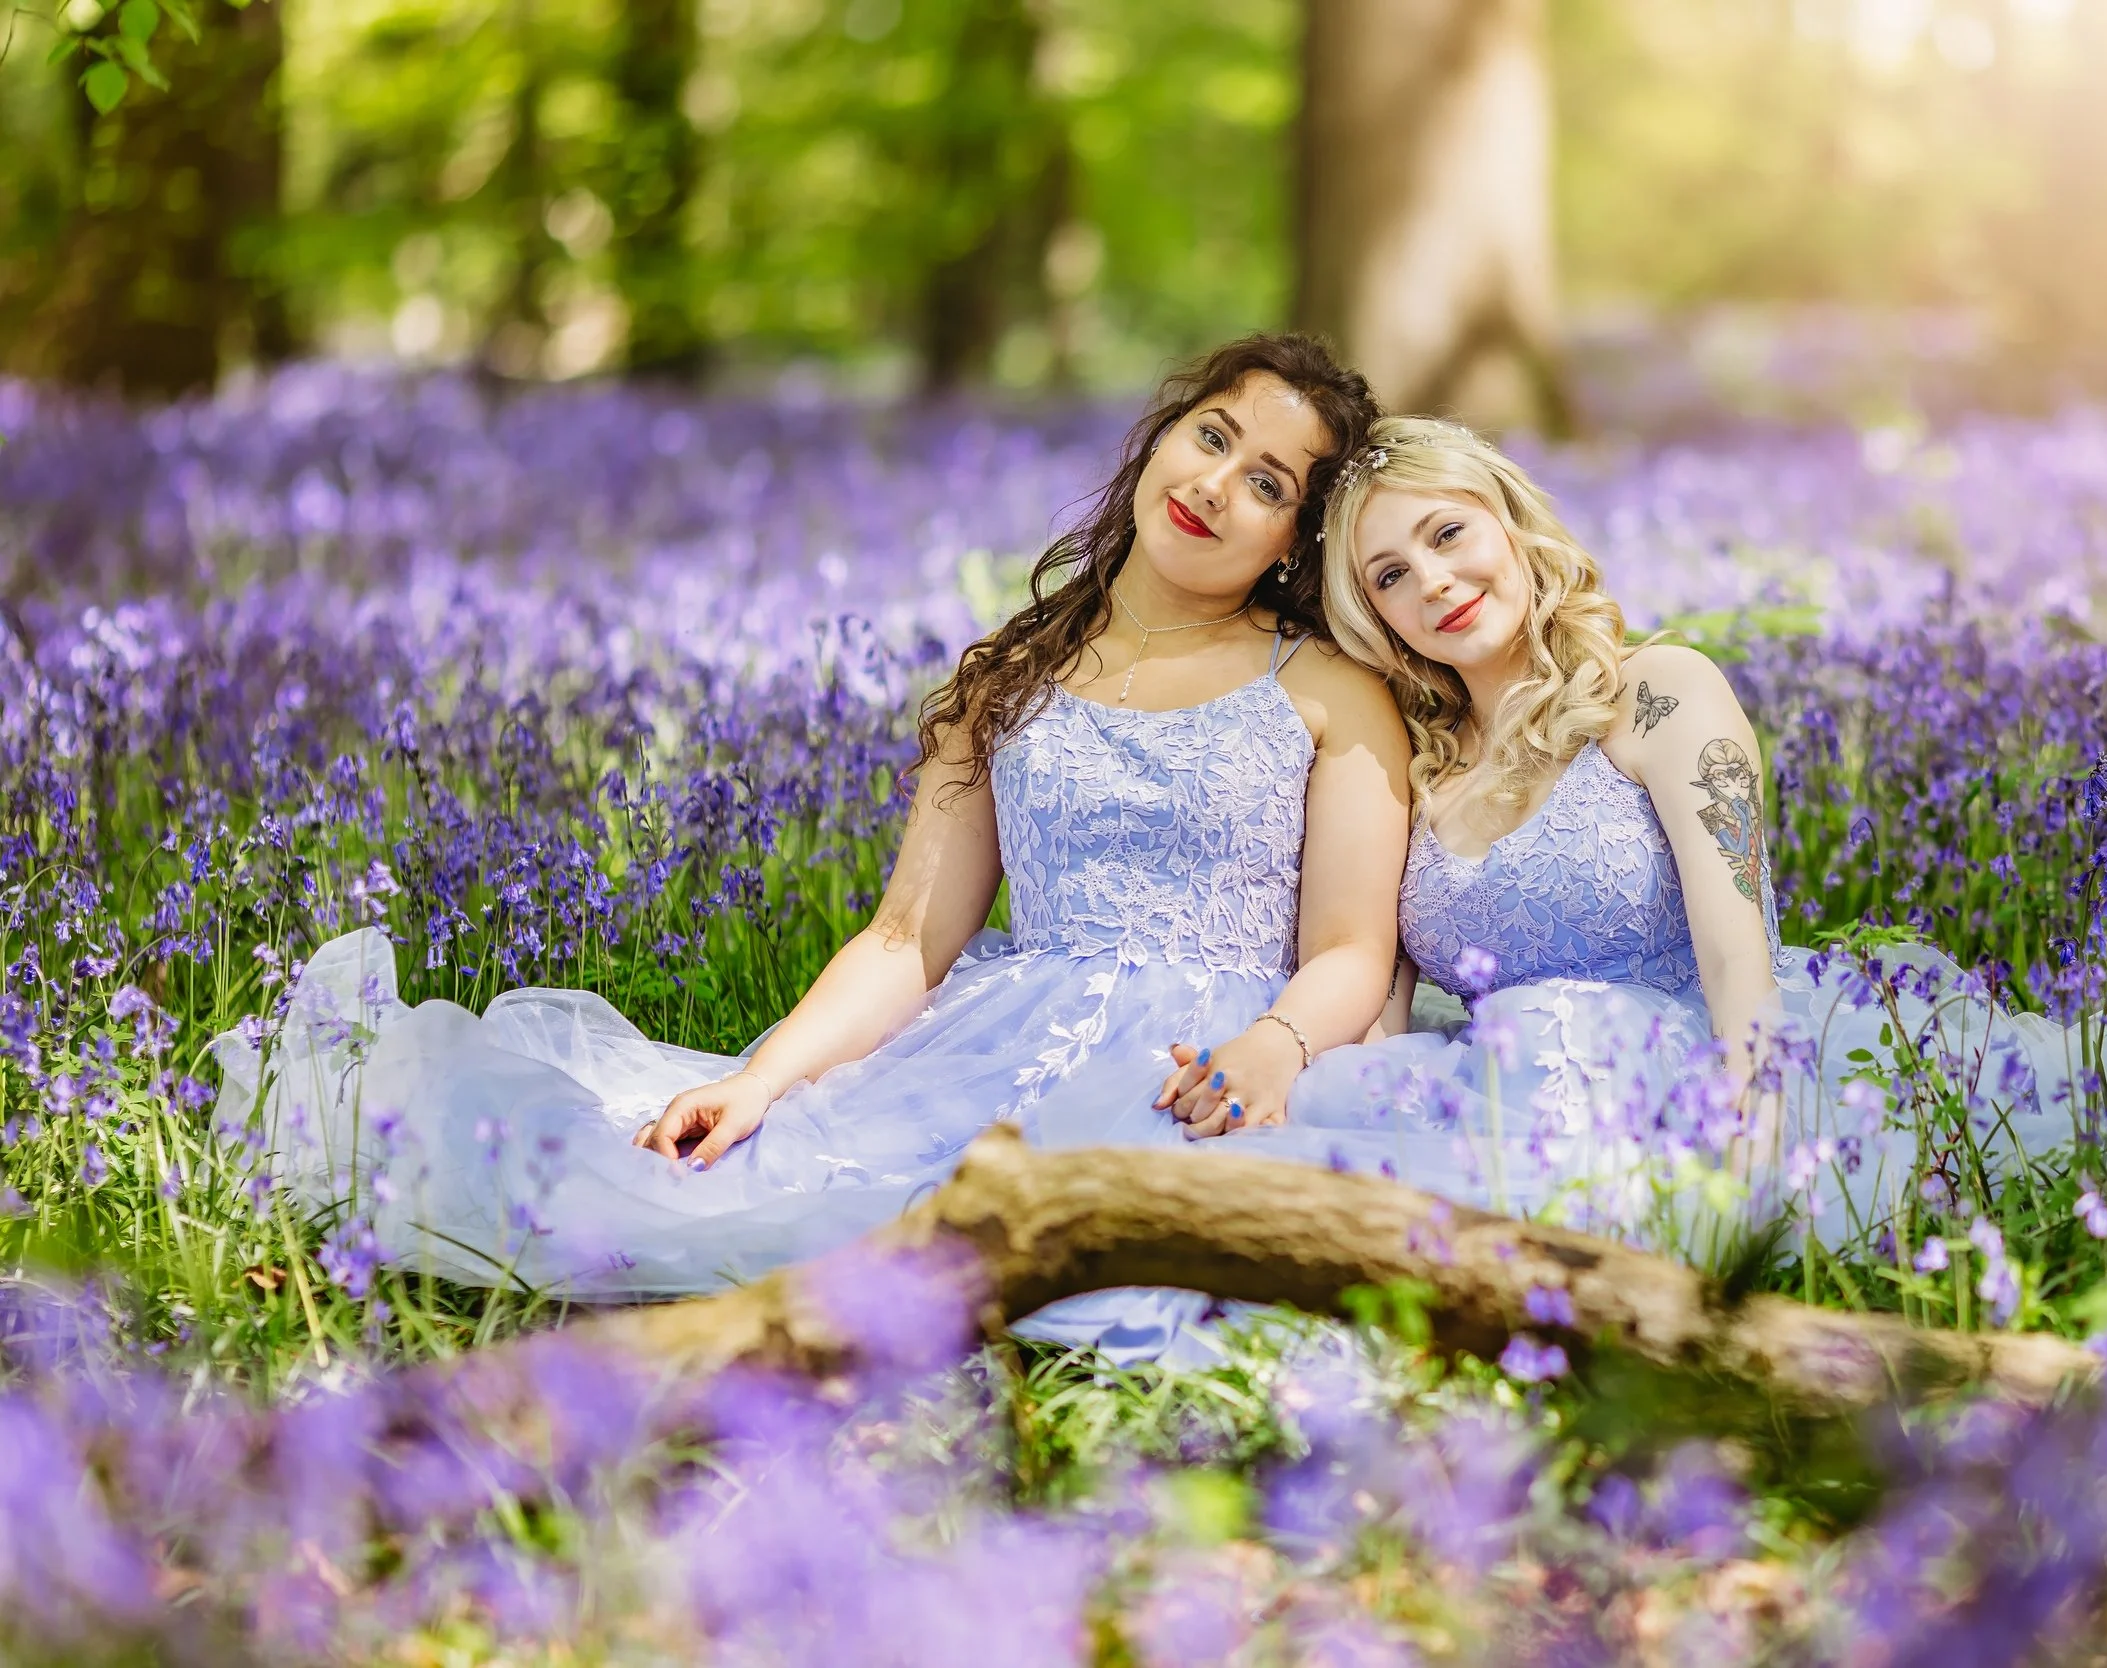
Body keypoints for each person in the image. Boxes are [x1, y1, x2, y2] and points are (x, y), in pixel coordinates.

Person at [215, 336, 1411, 1324]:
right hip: (1002, 1042)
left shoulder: (1322, 690)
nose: (1215, 485)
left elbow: (1353, 949)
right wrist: (762, 1080)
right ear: (1159, 437)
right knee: (775, 1202)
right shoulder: (1014, 678)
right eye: (1211, 436)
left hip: (1219, 1065)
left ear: (1294, 542)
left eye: (1267, 483)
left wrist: (1275, 1049)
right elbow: (906, 942)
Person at [1165, 417, 2107, 1262]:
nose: (1434, 580)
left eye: (1447, 533)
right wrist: (1322, 1089)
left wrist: (1755, 1146)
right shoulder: (1413, 771)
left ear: (1509, 522)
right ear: (1376, 616)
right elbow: (1385, 1007)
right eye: (1391, 574)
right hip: (1518, 1093)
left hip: (1700, 1066)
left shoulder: (1658, 692)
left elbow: (1735, 945)